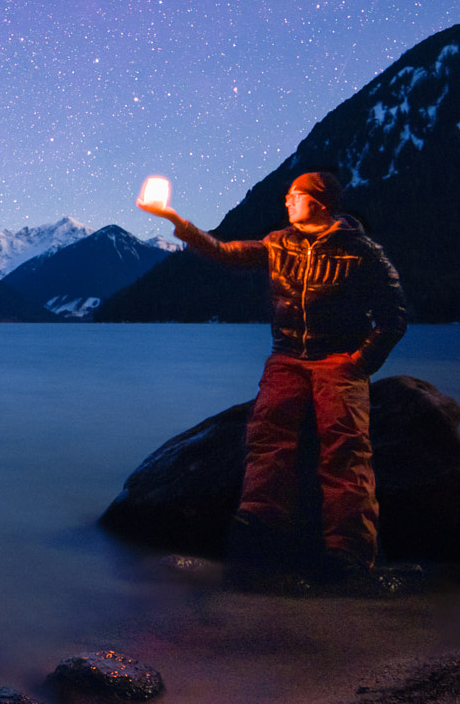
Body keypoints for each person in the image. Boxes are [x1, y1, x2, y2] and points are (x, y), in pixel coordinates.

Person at [139, 170, 407, 585]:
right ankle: (260, 525)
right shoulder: (279, 242)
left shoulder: (360, 251)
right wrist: (178, 222)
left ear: (318, 202)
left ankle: (349, 552)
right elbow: (226, 253)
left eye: (294, 195)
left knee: (346, 448)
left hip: (337, 358)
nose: (287, 201)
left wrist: (361, 362)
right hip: (286, 356)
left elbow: (394, 316)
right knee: (267, 436)